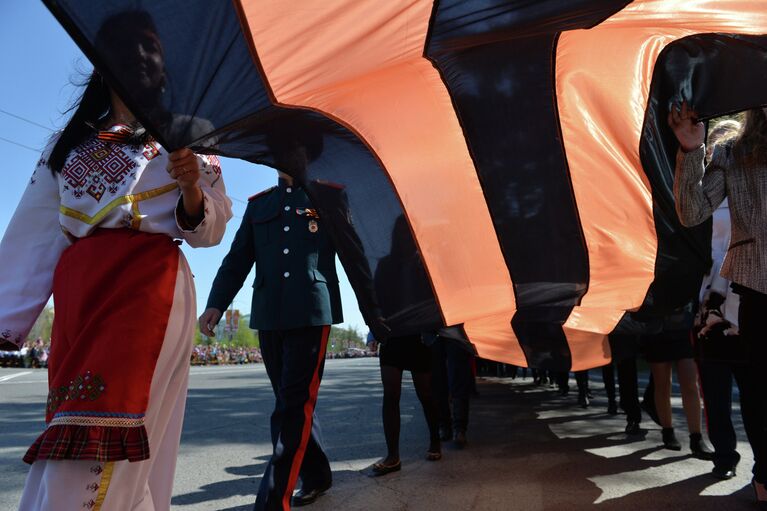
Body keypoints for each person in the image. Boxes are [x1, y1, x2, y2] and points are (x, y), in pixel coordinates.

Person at [0, 55, 231, 509]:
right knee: (76, 432)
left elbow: (212, 228)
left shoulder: (189, 136)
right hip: (80, 294)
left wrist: (191, 190)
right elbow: (34, 231)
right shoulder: (65, 145)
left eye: (154, 55)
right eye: (130, 51)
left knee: (107, 436)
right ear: (104, 61)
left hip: (149, 289)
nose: (142, 63)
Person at [199, 125, 340, 509]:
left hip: (312, 313)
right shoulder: (259, 204)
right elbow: (237, 259)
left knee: (291, 408)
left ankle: (272, 501)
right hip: (269, 315)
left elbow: (358, 256)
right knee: (289, 401)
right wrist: (216, 303)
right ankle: (318, 473)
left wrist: (380, 314)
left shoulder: (327, 198)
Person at [670, 102, 767, 507]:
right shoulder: (731, 152)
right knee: (759, 394)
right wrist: (692, 151)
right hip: (754, 288)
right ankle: (762, 472)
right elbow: (691, 212)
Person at [368, 331, 441, 475]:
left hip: (418, 338)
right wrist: (372, 335)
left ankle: (435, 440)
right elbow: (376, 309)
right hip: (390, 338)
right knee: (390, 395)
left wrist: (432, 334)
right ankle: (393, 457)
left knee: (425, 394)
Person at [430, 329, 474, 448]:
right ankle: (448, 426)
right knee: (438, 380)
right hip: (434, 327)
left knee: (457, 377)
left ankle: (457, 428)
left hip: (454, 327)